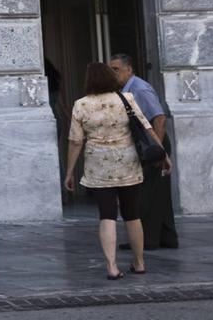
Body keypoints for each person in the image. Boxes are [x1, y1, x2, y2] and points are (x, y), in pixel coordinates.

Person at [65, 62, 166, 280]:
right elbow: (146, 127)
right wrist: (162, 152)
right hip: (127, 162)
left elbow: (75, 142)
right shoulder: (126, 98)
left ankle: (111, 266)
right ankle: (139, 263)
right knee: (132, 214)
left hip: (98, 165)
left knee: (107, 215)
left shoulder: (81, 105)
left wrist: (69, 172)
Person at [109, 54, 179, 250]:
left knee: (145, 193)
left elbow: (159, 118)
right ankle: (167, 237)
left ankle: (147, 240)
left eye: (116, 69)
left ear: (129, 69)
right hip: (148, 144)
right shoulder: (126, 89)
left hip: (153, 143)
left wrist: (157, 150)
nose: (113, 74)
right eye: (111, 70)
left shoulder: (139, 88)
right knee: (158, 193)